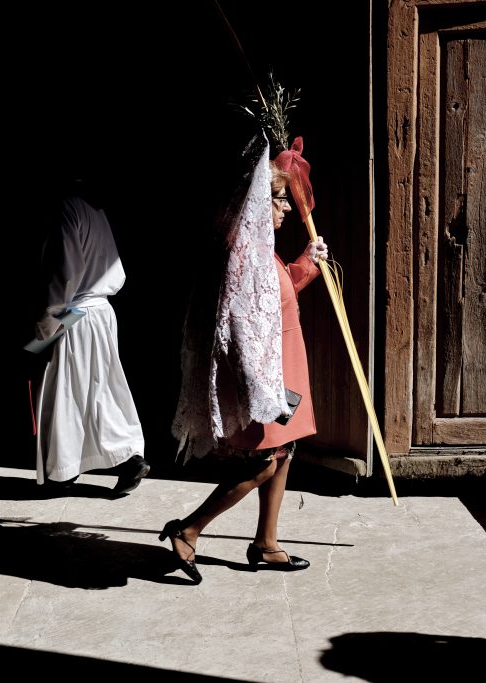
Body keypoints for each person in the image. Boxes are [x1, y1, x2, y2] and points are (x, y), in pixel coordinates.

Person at [167, 134, 328, 584]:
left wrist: (306, 263)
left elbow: (273, 299)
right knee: (261, 461)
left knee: (285, 451)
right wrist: (259, 387)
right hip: (264, 374)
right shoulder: (242, 254)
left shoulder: (262, 252)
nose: (287, 208)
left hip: (286, 363)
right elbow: (237, 323)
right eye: (279, 199)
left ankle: (266, 542)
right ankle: (188, 529)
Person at [31, 179, 150, 495]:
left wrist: (45, 326)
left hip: (76, 310)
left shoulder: (69, 208)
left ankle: (71, 467)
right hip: (97, 310)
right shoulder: (93, 210)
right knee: (96, 389)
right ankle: (121, 456)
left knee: (67, 391)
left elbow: (64, 274)